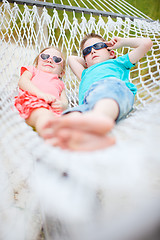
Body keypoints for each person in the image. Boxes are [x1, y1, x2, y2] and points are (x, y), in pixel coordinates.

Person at [37, 33, 153, 151]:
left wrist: (122, 42)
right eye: (87, 51)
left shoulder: (118, 62)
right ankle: (76, 136)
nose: (92, 51)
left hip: (113, 90)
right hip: (87, 103)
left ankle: (97, 120)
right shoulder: (85, 73)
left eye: (97, 46)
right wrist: (89, 61)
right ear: (85, 62)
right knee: (73, 114)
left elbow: (146, 43)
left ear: (111, 53)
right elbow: (72, 59)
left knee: (104, 97)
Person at [14, 46, 68, 138]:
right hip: (31, 104)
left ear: (61, 73)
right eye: (44, 56)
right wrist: (39, 94)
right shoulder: (33, 70)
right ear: (36, 64)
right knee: (44, 115)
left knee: (69, 122)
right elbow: (22, 82)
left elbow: (64, 101)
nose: (49, 60)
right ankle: (51, 138)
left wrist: (62, 105)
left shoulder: (60, 83)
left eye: (56, 59)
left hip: (53, 111)